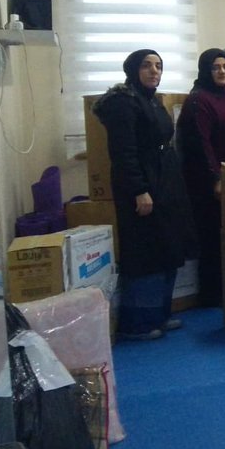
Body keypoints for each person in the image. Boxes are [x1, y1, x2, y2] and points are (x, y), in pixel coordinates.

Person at [92, 50, 196, 340]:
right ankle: (137, 323)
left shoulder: (151, 99)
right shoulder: (123, 103)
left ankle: (159, 315)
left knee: (166, 247)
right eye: (147, 66)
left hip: (164, 182)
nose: (154, 71)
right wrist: (140, 191)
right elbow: (123, 153)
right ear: (133, 69)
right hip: (141, 186)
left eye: (159, 66)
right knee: (145, 252)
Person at [177, 49, 225, 307]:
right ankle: (211, 296)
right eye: (215, 67)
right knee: (211, 238)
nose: (222, 71)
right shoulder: (199, 99)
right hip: (208, 183)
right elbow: (199, 143)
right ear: (205, 71)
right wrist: (215, 179)